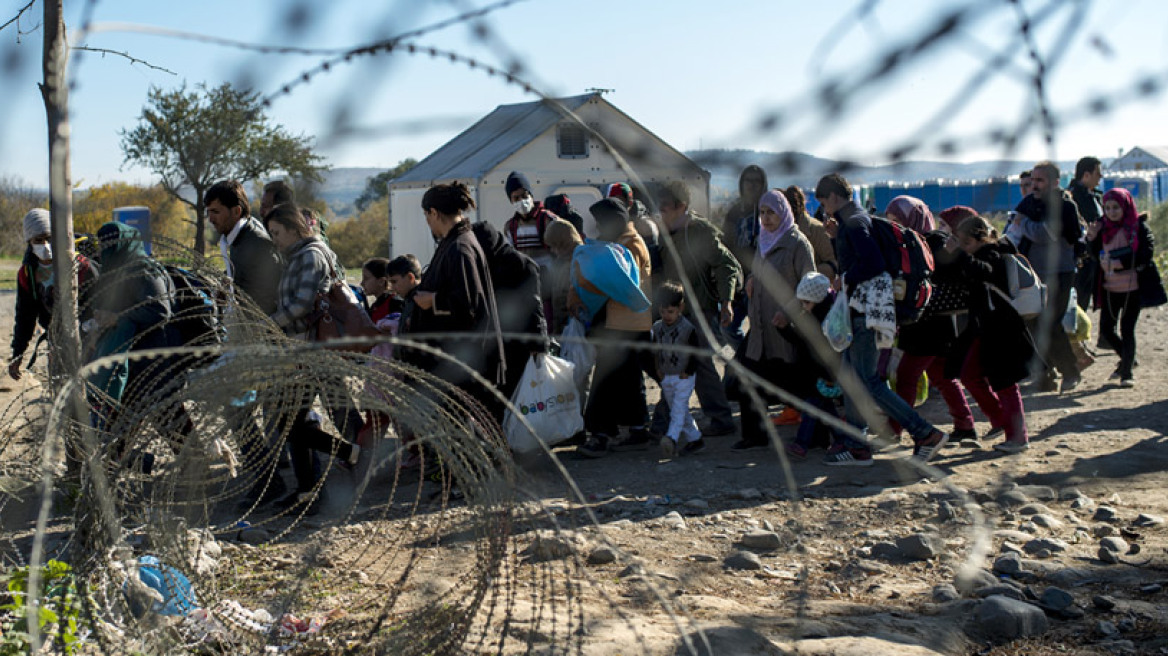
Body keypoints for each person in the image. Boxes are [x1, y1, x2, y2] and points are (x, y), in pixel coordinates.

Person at [815, 174, 948, 466]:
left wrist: (843, 279)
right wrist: (837, 240)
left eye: (823, 201)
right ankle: (856, 444)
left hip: (866, 314)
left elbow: (873, 264)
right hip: (863, 313)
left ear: (834, 196)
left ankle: (925, 433)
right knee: (852, 379)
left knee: (869, 382)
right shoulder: (855, 220)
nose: (823, 208)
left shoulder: (854, 222)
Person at [264, 203, 361, 514]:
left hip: (311, 350)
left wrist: (266, 324)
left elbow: (302, 305)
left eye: (277, 233)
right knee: (295, 419)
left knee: (292, 420)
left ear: (294, 229)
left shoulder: (311, 255)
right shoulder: (296, 256)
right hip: (299, 349)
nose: (274, 239)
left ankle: (350, 453)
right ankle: (310, 490)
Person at [883, 196, 980, 441]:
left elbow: (951, 267)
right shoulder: (906, 242)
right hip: (927, 323)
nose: (894, 225)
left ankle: (893, 430)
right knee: (942, 376)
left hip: (928, 324)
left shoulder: (932, 241)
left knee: (906, 378)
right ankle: (965, 426)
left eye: (897, 220)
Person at [728, 189, 815, 451]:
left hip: (786, 331)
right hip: (760, 330)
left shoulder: (797, 243)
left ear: (784, 213)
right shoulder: (763, 242)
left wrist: (788, 313)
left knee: (799, 387)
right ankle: (754, 435)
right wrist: (751, 283)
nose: (765, 218)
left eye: (771, 213)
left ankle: (816, 435)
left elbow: (810, 286)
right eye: (762, 213)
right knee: (746, 380)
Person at [653, 180, 741, 437]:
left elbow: (727, 266)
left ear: (682, 207)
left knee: (698, 364)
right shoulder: (667, 232)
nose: (662, 213)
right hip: (676, 309)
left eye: (666, 208)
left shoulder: (700, 230)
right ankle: (665, 423)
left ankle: (720, 419)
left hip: (700, 309)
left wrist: (726, 302)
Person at [572, 197, 654, 457]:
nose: (598, 228)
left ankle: (601, 434)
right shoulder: (624, 242)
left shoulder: (630, 245)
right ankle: (638, 429)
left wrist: (586, 283)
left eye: (601, 223)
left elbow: (619, 285)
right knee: (628, 379)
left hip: (622, 323)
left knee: (606, 380)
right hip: (626, 322)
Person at [412, 182, 505, 403]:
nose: (427, 222)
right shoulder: (454, 241)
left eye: (426, 215)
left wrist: (432, 300)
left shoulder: (460, 247)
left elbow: (468, 303)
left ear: (434, 213)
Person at [948, 215, 1032, 453]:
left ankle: (1018, 437)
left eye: (967, 243)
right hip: (983, 329)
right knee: (969, 374)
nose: (964, 248)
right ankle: (1001, 421)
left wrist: (960, 255)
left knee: (1006, 383)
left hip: (1001, 329)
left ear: (980, 239)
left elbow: (984, 272)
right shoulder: (976, 255)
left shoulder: (994, 254)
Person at [1013, 161, 1083, 393]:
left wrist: (1023, 224)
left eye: (1039, 180)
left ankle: (1070, 372)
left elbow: (1045, 234)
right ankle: (1046, 372)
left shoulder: (1063, 206)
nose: (1034, 185)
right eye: (1033, 180)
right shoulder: (1029, 204)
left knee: (1052, 323)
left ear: (1054, 182)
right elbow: (1014, 230)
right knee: (1033, 323)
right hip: (1034, 275)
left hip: (1060, 273)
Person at [10, 208, 99, 381]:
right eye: (38, 240)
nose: (45, 245)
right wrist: (18, 353)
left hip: (90, 336)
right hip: (57, 338)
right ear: (29, 242)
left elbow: (102, 299)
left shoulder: (81, 266)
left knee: (90, 387)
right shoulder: (28, 274)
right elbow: (25, 316)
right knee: (61, 388)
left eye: (49, 238)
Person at [471, 220, 548, 407]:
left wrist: (538, 344)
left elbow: (533, 305)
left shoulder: (519, 264)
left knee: (514, 394)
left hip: (513, 341)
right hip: (499, 341)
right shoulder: (489, 262)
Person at [1086, 188, 1153, 388]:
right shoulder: (1102, 229)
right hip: (1109, 289)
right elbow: (1093, 255)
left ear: (1125, 206)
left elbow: (1146, 254)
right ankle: (1127, 357)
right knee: (1106, 330)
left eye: (1116, 207)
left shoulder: (1138, 228)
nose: (1112, 211)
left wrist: (1118, 262)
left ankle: (1127, 374)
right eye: (1107, 208)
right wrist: (1091, 238)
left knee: (1127, 329)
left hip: (1133, 288)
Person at [784, 272, 842, 459]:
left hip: (821, 374)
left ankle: (802, 444)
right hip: (818, 374)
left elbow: (808, 345)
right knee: (826, 410)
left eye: (806, 303)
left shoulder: (824, 320)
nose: (803, 307)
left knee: (813, 408)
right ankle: (843, 440)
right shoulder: (818, 315)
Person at [204, 180, 284, 316]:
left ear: (236, 211)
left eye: (215, 212)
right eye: (208, 212)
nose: (210, 219)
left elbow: (267, 297)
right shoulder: (237, 237)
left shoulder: (258, 244)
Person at [649, 281, 701, 459]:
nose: (666, 316)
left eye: (670, 312)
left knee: (678, 408)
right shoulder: (657, 328)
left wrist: (688, 370)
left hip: (684, 375)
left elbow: (695, 352)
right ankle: (695, 438)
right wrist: (658, 369)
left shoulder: (687, 329)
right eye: (663, 311)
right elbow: (655, 350)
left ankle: (671, 438)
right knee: (678, 410)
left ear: (681, 308)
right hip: (667, 375)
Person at [718, 166, 767, 349]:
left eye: (757, 181)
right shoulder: (734, 212)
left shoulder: (768, 209)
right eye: (748, 181)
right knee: (728, 328)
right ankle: (745, 359)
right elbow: (726, 244)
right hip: (739, 280)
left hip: (763, 281)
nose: (752, 185)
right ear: (741, 184)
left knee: (760, 331)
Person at [607, 183, 662, 285]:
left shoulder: (644, 225)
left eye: (619, 201)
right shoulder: (616, 222)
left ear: (629, 202)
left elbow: (653, 265)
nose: (615, 206)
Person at [502, 171, 556, 269]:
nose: (521, 201)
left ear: (531, 196)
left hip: (549, 278)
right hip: (526, 278)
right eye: (516, 198)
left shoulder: (547, 219)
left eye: (524, 196)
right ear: (511, 201)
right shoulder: (510, 227)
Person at [1070, 157, 1104, 312]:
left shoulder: (1094, 196)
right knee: (1077, 307)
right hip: (1081, 260)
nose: (1101, 177)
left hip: (1095, 259)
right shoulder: (1073, 198)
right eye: (1098, 173)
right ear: (1086, 175)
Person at [783, 185, 837, 280]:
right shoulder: (774, 231)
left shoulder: (816, 229)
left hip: (811, 290)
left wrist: (808, 275)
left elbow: (833, 264)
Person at [543, 218, 585, 334]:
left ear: (562, 243)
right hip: (562, 326)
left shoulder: (580, 261)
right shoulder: (560, 262)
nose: (553, 250)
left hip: (575, 326)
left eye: (554, 245)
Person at [361, 257, 404, 323]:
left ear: (381, 281)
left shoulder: (395, 303)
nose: (362, 283)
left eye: (366, 278)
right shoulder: (375, 305)